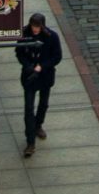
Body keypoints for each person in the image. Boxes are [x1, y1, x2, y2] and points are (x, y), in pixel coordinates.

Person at [14, 11, 63, 155]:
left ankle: (38, 125)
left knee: (43, 104)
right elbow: (20, 53)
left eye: (37, 27)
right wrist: (29, 67)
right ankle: (30, 142)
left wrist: (42, 66)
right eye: (33, 26)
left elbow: (57, 56)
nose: (35, 29)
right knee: (28, 109)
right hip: (30, 77)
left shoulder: (52, 37)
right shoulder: (24, 34)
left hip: (45, 76)